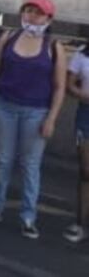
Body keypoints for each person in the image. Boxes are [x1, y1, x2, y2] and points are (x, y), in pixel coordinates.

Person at [0, 0, 67, 238]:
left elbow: (60, 86)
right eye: (27, 11)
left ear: (49, 18)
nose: (31, 16)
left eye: (38, 13)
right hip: (4, 105)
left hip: (36, 111)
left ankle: (28, 216)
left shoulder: (53, 45)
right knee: (2, 159)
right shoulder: (8, 37)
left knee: (30, 164)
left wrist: (51, 119)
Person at [64, 45, 89, 244]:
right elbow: (69, 83)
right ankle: (80, 223)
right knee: (85, 171)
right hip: (86, 114)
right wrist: (83, 95)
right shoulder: (82, 53)